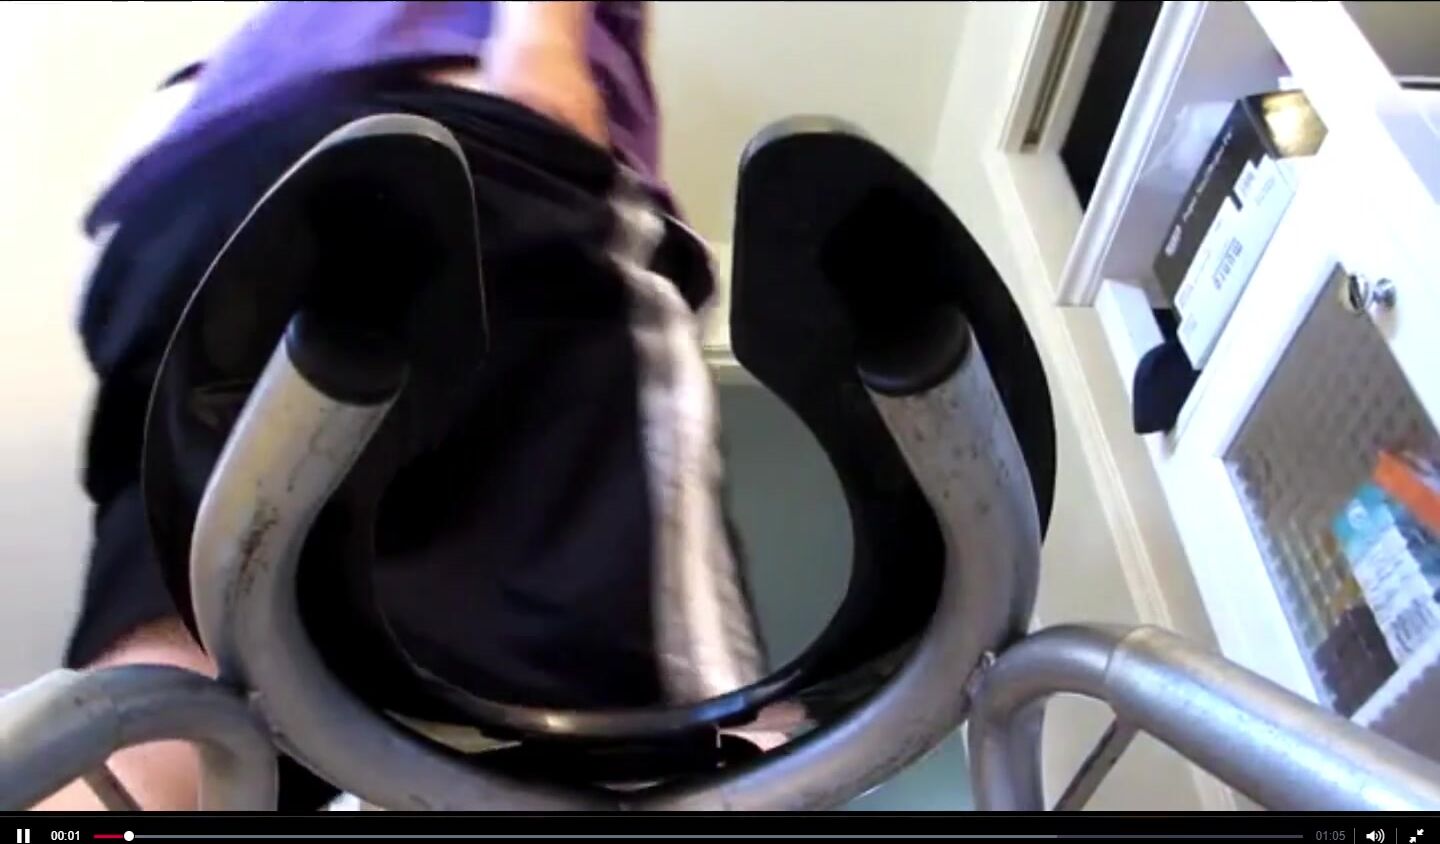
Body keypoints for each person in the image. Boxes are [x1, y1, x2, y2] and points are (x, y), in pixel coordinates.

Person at [43, 0, 763, 811]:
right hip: (437, 153)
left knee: (182, 678)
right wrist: (543, 43)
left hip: (178, 206)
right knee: (648, 718)